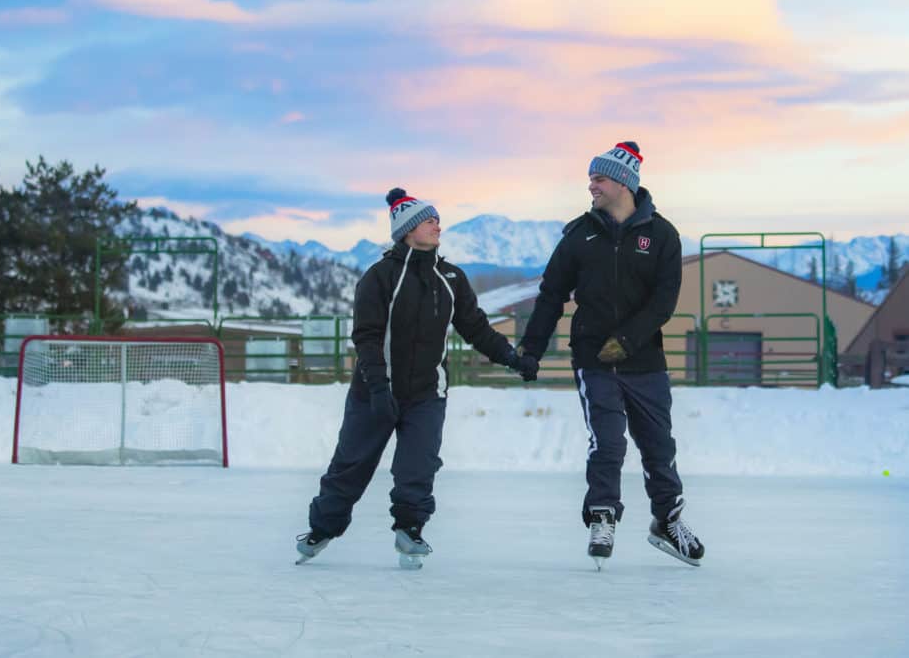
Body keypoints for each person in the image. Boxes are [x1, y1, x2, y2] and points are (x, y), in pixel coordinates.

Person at [295, 187, 537, 566]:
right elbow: (367, 337)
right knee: (351, 466)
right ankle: (323, 527)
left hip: (426, 394)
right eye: (429, 220)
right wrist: (377, 387)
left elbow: (476, 328)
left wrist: (512, 357)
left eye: (437, 219)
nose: (438, 225)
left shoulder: (452, 278)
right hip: (374, 392)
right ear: (407, 230)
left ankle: (410, 530)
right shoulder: (379, 278)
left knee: (418, 467)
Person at [514, 141, 704, 567]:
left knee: (659, 446)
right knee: (608, 442)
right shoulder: (579, 236)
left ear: (623, 182)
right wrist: (531, 349)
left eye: (597, 179)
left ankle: (666, 522)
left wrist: (629, 340)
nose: (591, 187)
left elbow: (663, 302)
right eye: (591, 179)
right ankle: (603, 516)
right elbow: (550, 296)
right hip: (594, 359)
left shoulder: (662, 236)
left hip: (645, 362)